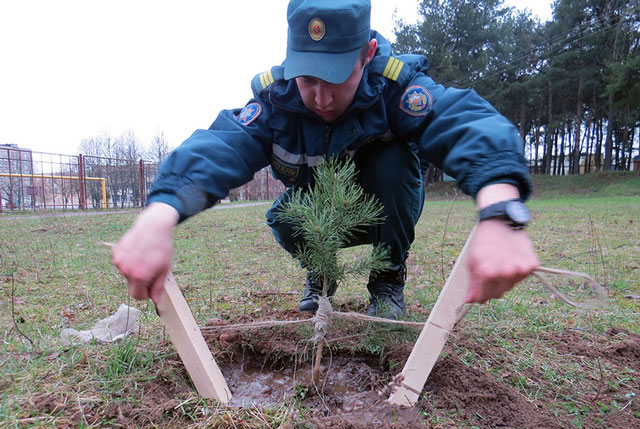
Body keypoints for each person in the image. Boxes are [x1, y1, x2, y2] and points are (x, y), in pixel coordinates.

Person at [113, 0, 540, 319]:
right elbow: (223, 144)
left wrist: (501, 208)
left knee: (394, 166)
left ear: (367, 55)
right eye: (308, 78)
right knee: (284, 217)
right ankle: (321, 275)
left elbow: (461, 120)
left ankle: (387, 280)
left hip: (381, 208)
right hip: (323, 212)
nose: (320, 97)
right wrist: (159, 214)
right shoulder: (277, 103)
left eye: (336, 79)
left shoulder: (394, 90)